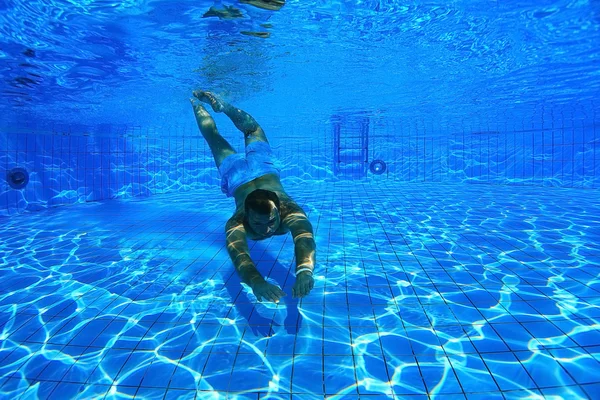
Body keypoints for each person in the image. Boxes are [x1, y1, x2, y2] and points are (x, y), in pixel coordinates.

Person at [190, 91, 316, 303]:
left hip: (248, 169)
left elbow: (304, 239)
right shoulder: (236, 222)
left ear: (279, 210)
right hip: (240, 174)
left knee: (226, 135)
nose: (267, 229)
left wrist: (305, 270)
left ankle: (210, 104)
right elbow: (241, 258)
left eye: (271, 221)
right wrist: (256, 281)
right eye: (258, 222)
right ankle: (198, 102)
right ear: (246, 214)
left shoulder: (290, 211)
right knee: (239, 132)